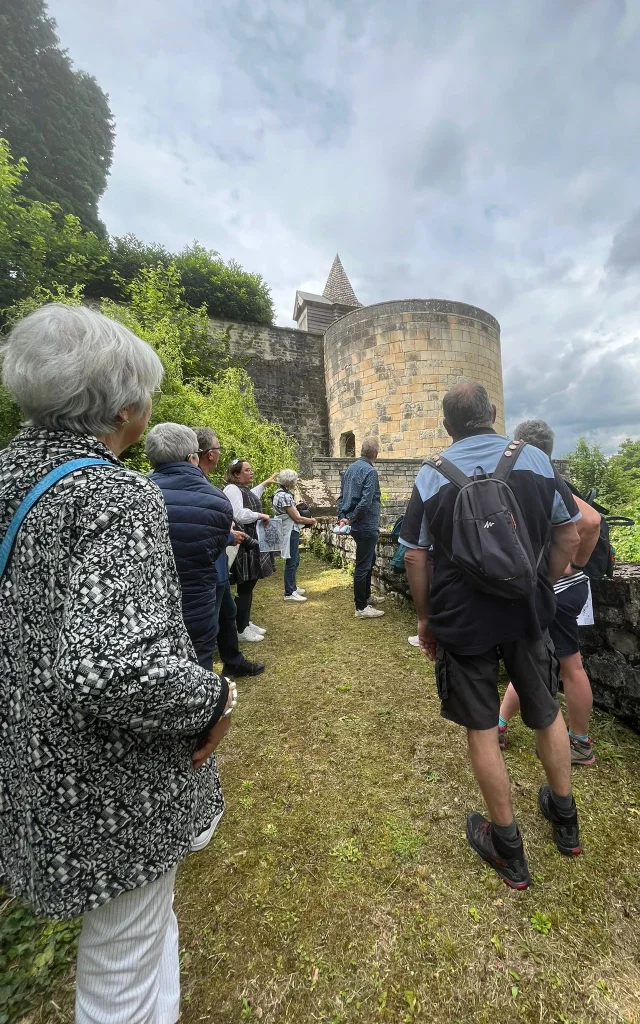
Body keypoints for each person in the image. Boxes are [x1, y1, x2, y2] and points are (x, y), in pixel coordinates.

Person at [0, 304, 233, 1023]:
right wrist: (214, 698)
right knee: (121, 973)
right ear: (127, 407)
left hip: (26, 756)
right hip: (104, 784)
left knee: (141, 940)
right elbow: (113, 667)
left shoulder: (9, 475)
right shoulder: (112, 492)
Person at [401, 382, 583, 890]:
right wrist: (540, 582)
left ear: (447, 427)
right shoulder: (534, 461)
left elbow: (415, 554)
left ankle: (508, 846)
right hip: (525, 612)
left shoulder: (431, 474)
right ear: (493, 414)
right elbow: (570, 531)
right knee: (545, 711)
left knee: (482, 728)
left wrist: (424, 617)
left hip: (463, 619)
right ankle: (565, 823)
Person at [498, 420, 601, 765]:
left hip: (559, 585)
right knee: (532, 655)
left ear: (522, 446)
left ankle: (580, 743)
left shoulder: (547, 479)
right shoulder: (540, 478)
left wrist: (573, 565)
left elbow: (590, 521)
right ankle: (500, 723)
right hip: (554, 586)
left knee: (571, 666)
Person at [146, 422, 234, 671]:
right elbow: (215, 549)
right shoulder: (217, 499)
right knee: (197, 665)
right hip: (196, 600)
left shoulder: (133, 493)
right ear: (193, 457)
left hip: (150, 604)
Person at [195, 427, 265, 678]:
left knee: (227, 612)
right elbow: (203, 525)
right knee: (210, 622)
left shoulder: (204, 483)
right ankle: (205, 677)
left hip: (220, 561)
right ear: (210, 453)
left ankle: (233, 659)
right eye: (246, 469)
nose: (251, 472)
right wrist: (229, 534)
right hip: (211, 562)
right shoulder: (204, 486)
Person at [224, 459, 277, 640]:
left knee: (250, 582)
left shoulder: (241, 489)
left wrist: (264, 484)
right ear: (237, 474)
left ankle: (244, 622)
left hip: (249, 538)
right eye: (247, 470)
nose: (251, 472)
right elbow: (238, 513)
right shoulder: (232, 489)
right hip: (243, 541)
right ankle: (240, 629)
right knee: (245, 584)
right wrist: (260, 515)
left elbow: (251, 497)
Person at [337, 437, 384, 619]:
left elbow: (341, 497)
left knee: (369, 559)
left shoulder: (350, 469)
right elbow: (365, 502)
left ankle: (366, 596)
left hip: (355, 524)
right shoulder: (370, 471)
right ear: (375, 454)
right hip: (365, 524)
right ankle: (361, 607)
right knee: (363, 565)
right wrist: (350, 519)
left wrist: (343, 516)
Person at [272, 468, 317, 601]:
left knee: (295, 559)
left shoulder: (279, 493)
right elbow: (296, 518)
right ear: (290, 481)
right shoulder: (285, 496)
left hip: (289, 529)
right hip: (289, 530)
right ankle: (289, 592)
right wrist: (311, 520)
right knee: (291, 561)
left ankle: (293, 586)